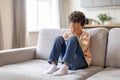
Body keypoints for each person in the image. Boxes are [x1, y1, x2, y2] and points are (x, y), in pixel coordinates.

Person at [44, 11, 92, 76]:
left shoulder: (86, 35)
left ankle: (65, 67)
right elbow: (65, 49)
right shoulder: (66, 34)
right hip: (70, 62)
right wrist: (70, 38)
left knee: (72, 38)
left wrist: (73, 36)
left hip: (81, 62)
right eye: (72, 25)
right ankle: (54, 66)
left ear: (82, 26)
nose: (73, 28)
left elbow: (83, 48)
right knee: (58, 38)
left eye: (76, 26)